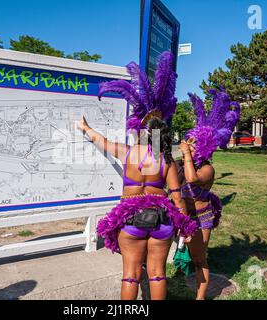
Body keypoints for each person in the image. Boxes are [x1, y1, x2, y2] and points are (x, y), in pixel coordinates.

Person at [76, 51, 198, 300]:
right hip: (162, 220)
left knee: (130, 274)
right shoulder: (166, 160)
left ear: (140, 129)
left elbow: (102, 142)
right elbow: (177, 199)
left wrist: (86, 127)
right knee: (157, 274)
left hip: (130, 220)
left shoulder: (127, 153)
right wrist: (185, 227)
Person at [172, 88, 240, 300]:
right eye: (188, 143)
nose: (188, 147)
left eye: (193, 145)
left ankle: (200, 298)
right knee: (183, 252)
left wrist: (185, 155)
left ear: (203, 147)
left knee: (199, 259)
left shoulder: (207, 169)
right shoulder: (183, 163)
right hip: (182, 215)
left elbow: (192, 179)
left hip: (201, 219)